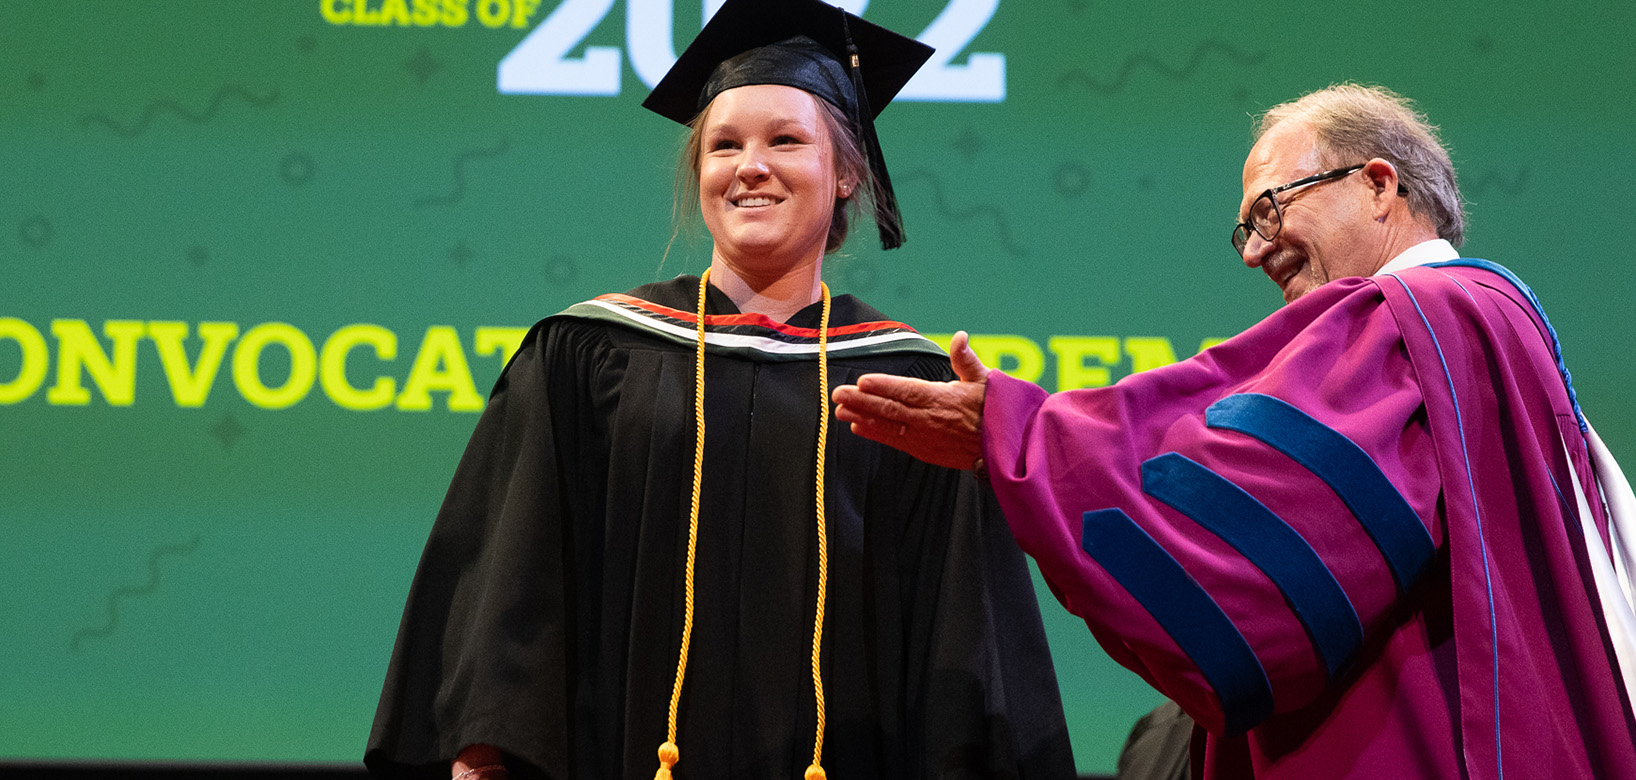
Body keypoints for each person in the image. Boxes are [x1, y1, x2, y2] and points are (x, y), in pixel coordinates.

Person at [833, 83, 1636, 779]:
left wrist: (1021, 434)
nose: (1255, 251)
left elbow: (1253, 512)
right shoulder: (1489, 327)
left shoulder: (1423, 319)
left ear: (1379, 183)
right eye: (1244, 228)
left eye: (1271, 209)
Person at [364, 1, 1075, 778]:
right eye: (724, 145)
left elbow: (966, 644)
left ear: (847, 173)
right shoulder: (589, 355)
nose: (750, 166)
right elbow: (511, 592)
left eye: (786, 140)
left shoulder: (907, 385)